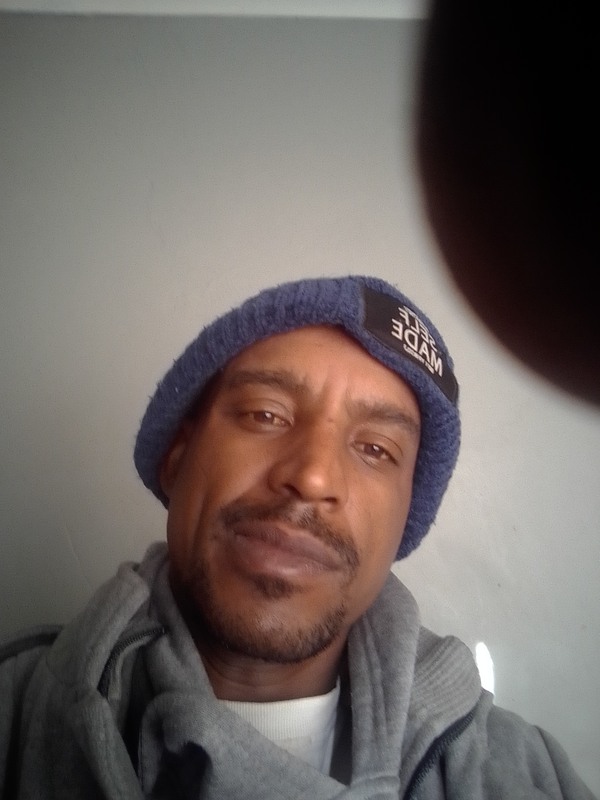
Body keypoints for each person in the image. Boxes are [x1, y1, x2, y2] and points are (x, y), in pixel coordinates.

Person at [0, 275, 595, 799]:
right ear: (176, 459)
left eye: (375, 449)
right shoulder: (13, 718)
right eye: (266, 415)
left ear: (404, 523)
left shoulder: (527, 773)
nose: (312, 477)